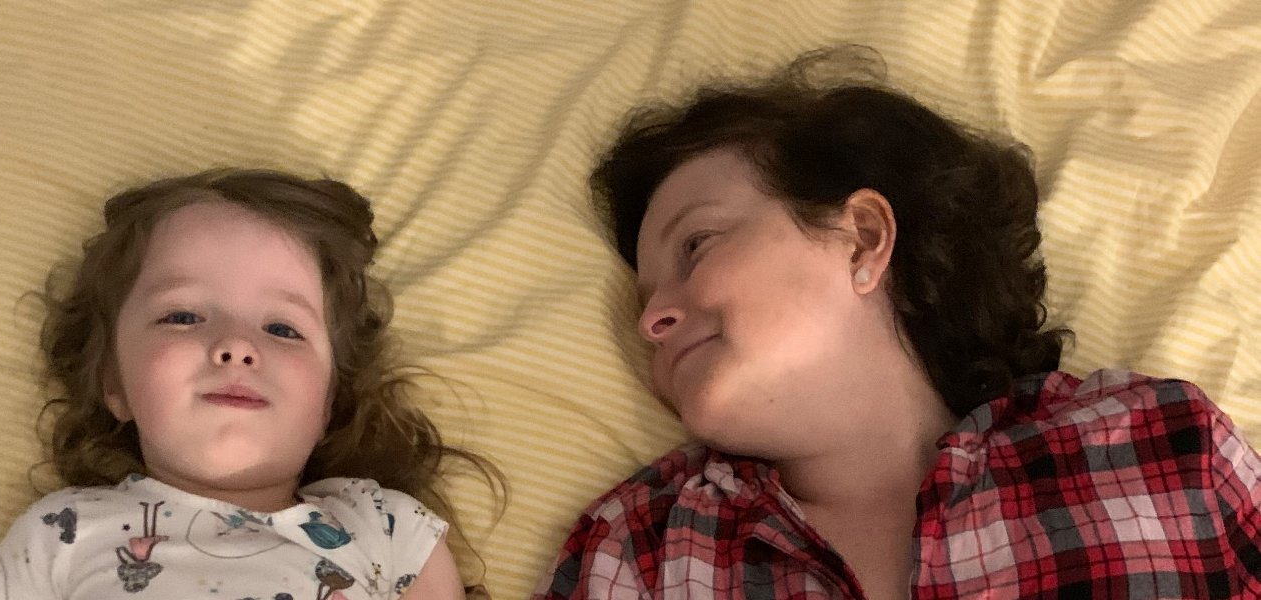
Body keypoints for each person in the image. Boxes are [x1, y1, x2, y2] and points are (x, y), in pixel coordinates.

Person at [532, 47, 1261, 599]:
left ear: (863, 238)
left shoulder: (1156, 447)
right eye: (645, 299)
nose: (652, 320)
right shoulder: (638, 550)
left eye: (696, 246)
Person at [0, 169, 496, 600]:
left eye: (282, 329)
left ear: (327, 402)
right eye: (182, 317)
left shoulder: (386, 529)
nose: (236, 346)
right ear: (113, 381)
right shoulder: (60, 532)